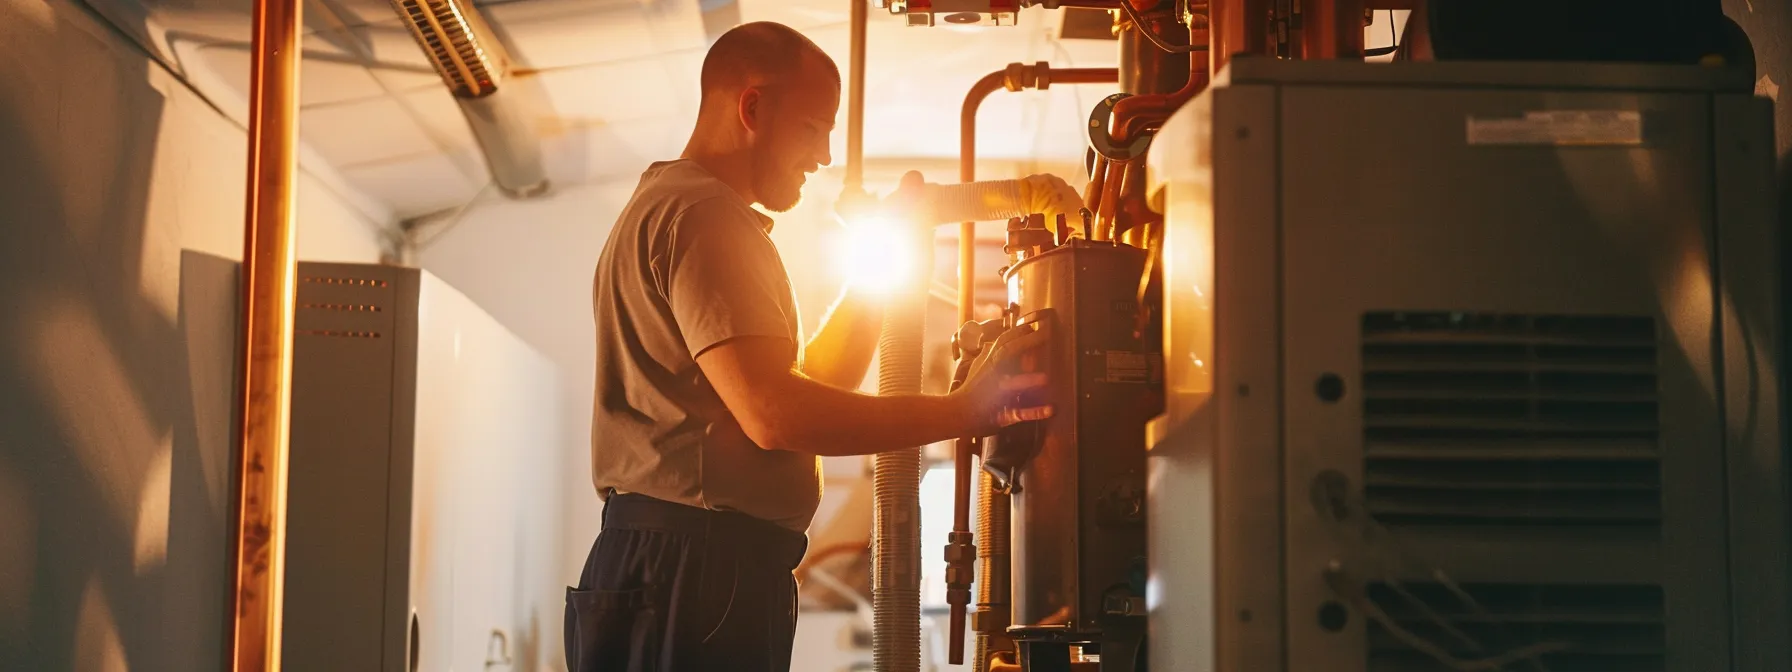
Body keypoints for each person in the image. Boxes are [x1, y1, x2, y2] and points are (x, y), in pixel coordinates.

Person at [566, 21, 1066, 672]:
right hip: (694, 568)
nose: (825, 155)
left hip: (687, 563)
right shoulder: (703, 216)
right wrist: (968, 410)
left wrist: (882, 272)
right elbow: (777, 417)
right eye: (813, 127)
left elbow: (807, 383)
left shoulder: (676, 208)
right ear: (753, 108)